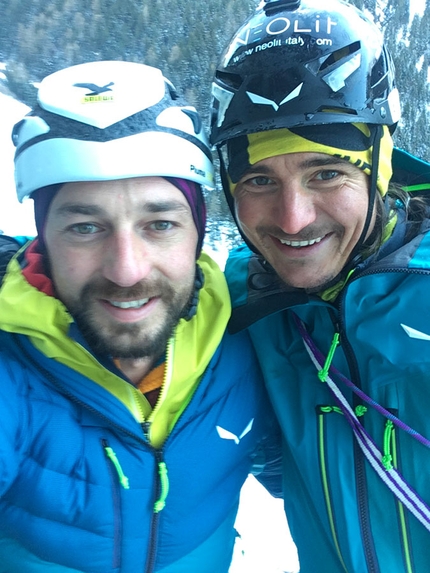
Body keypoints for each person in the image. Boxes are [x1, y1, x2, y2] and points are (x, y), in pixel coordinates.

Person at [0, 60, 282, 573]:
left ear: (198, 235)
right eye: (85, 227)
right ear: (44, 239)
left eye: (159, 224)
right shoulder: (10, 375)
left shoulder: (248, 343)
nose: (127, 271)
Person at [210, 0, 430, 571]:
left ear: (378, 166)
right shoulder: (241, 298)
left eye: (326, 172)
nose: (292, 219)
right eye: (259, 179)